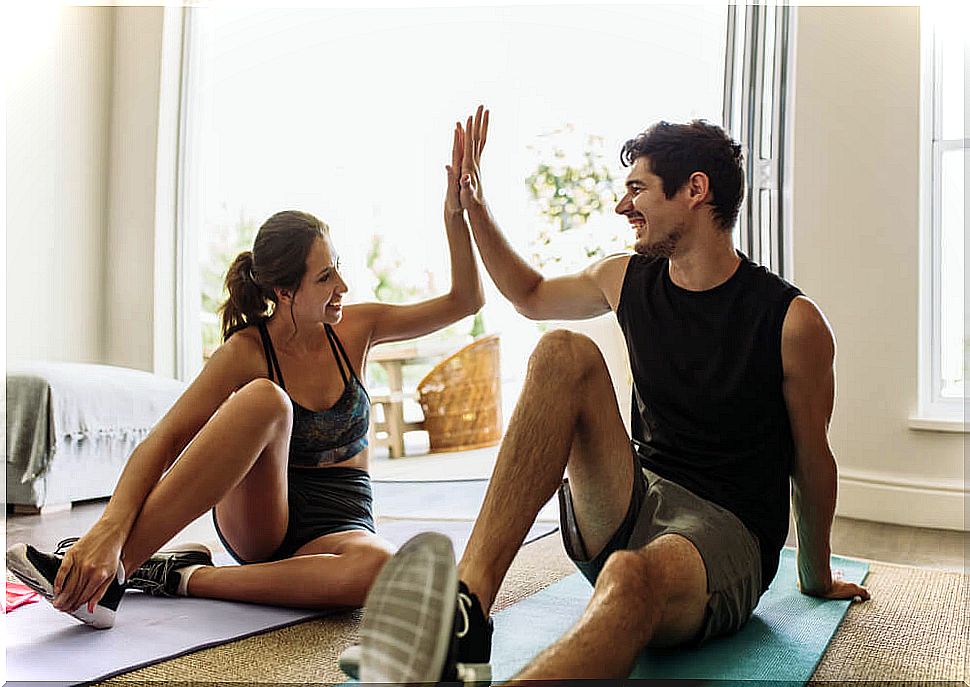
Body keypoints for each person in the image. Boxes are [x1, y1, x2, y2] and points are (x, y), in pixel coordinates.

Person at [353, 106, 871, 684]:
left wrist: (816, 575)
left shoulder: (791, 321)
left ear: (695, 190)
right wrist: (473, 205)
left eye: (637, 189)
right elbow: (529, 295)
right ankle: (465, 614)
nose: (623, 206)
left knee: (630, 577)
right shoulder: (625, 278)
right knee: (561, 352)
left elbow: (811, 455)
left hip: (725, 534)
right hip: (631, 497)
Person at [5, 124, 484, 629]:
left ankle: (174, 577)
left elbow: (465, 301)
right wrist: (109, 527)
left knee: (384, 567)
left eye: (337, 268)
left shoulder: (360, 328)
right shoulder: (247, 350)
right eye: (325, 277)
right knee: (266, 401)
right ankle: (110, 574)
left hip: (341, 525)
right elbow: (166, 439)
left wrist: (457, 214)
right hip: (263, 521)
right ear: (284, 292)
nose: (342, 285)